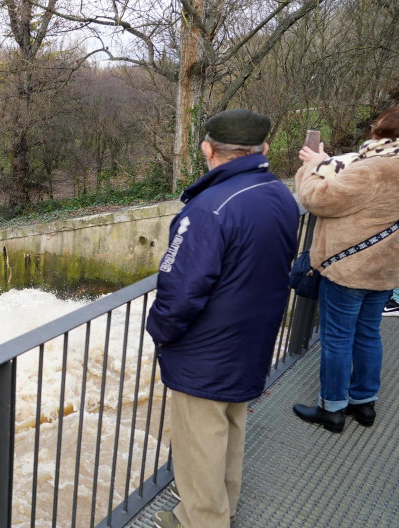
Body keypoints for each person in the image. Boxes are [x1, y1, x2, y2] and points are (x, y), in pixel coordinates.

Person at [146, 109, 300, 528]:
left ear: (207, 149)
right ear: (263, 149)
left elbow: (179, 290)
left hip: (207, 346)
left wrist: (160, 332)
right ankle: (223, 506)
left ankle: (202, 520)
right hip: (253, 336)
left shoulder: (209, 208)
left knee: (199, 438)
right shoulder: (279, 194)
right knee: (230, 425)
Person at [293, 107, 399, 431]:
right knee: (368, 334)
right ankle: (364, 405)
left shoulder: (375, 169)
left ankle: (332, 410)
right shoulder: (381, 165)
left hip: (350, 269)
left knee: (337, 338)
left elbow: (317, 199)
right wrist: (327, 161)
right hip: (385, 269)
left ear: (383, 132)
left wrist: (311, 167)